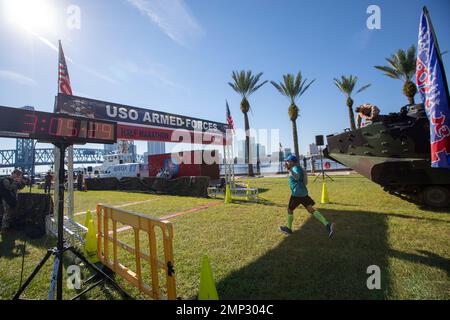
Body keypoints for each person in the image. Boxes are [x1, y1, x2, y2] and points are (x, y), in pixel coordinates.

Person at [279, 155, 334, 238]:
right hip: (303, 193)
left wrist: (290, 170)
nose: (286, 162)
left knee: (290, 210)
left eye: (288, 161)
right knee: (311, 210)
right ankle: (327, 224)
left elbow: (297, 177)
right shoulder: (300, 168)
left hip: (296, 194)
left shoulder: (295, 168)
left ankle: (289, 229)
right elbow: (305, 182)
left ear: (292, 162)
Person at [0, 169, 26, 234]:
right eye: (18, 175)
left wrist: (23, 182)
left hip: (11, 198)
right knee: (7, 212)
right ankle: (4, 228)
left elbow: (19, 187)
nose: (18, 177)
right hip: (5, 198)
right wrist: (16, 181)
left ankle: (8, 226)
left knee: (10, 212)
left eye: (19, 176)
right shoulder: (6, 179)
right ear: (14, 174)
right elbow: (9, 187)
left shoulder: (13, 180)